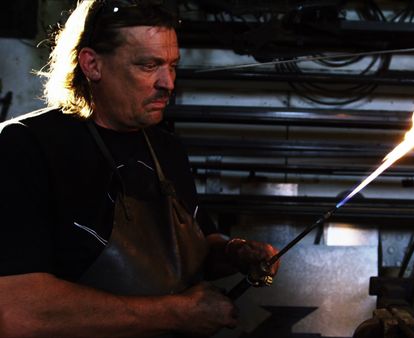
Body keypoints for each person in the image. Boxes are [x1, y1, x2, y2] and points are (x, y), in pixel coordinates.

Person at [0, 0, 279, 336]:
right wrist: (177, 314)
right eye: (149, 65)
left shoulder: (166, 149)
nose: (168, 83)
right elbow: (18, 311)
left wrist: (234, 252)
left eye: (172, 66)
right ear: (92, 64)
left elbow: (192, 250)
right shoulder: (26, 146)